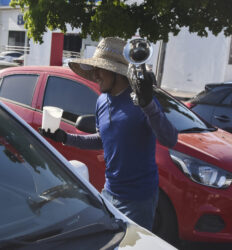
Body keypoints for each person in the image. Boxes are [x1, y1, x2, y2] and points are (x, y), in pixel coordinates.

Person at [40, 37, 178, 230]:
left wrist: (148, 105)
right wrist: (65, 138)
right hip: (110, 192)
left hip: (138, 199)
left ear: (116, 72)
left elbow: (170, 139)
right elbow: (103, 140)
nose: (95, 75)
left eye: (100, 69)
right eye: (94, 68)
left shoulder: (141, 100)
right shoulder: (102, 101)